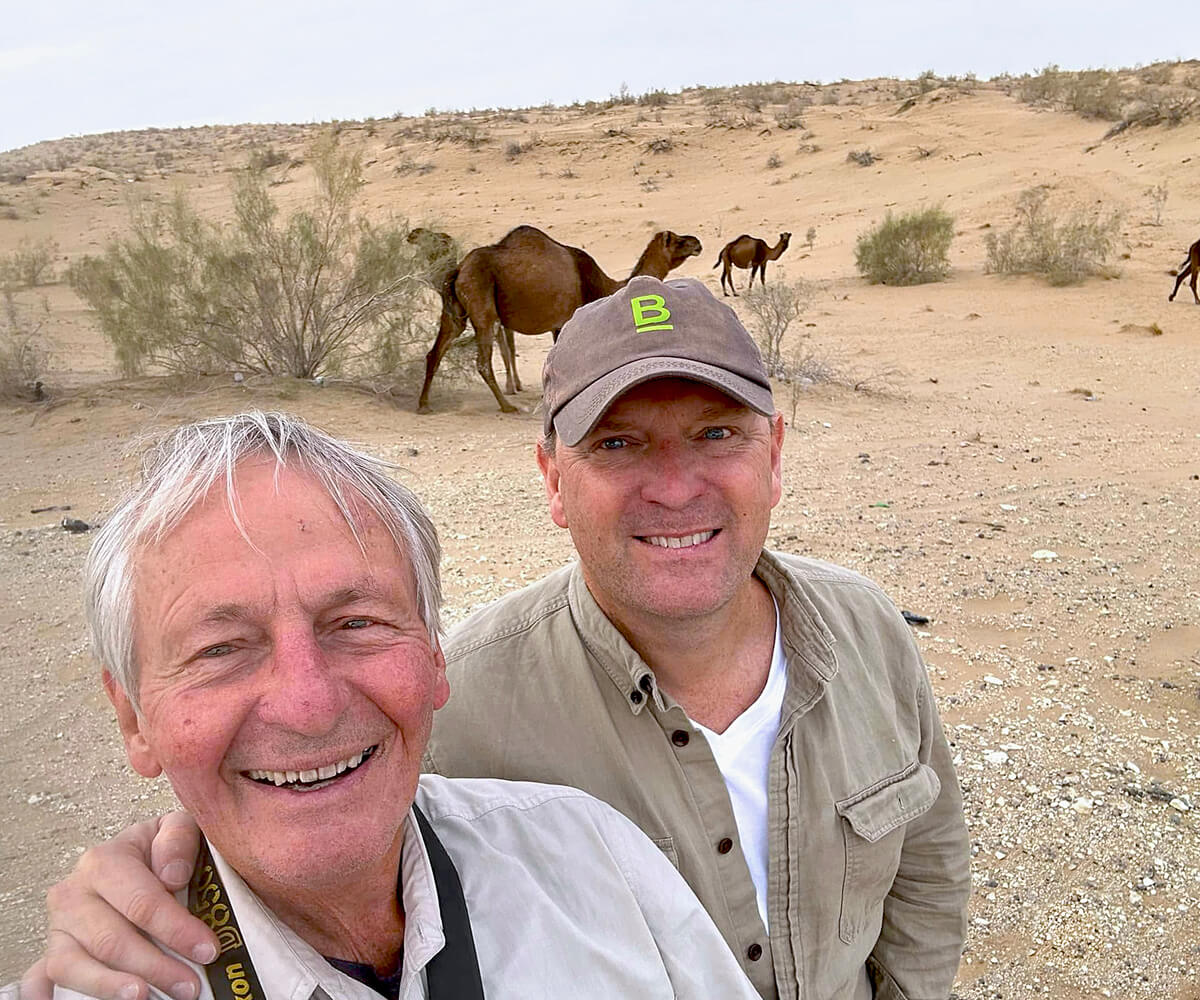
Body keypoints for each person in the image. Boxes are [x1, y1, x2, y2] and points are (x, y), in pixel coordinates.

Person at [30, 277, 971, 1000]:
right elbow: (301, 805)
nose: (676, 487)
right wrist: (161, 881)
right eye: (618, 444)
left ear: (774, 455)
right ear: (552, 480)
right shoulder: (460, 697)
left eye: (717, 434)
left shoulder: (866, 631)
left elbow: (928, 861)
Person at [18, 411, 758, 1000]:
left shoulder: (593, 860)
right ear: (133, 719)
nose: (307, 705)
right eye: (221, 650)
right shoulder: (97, 981)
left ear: (436, 655)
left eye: (357, 624)